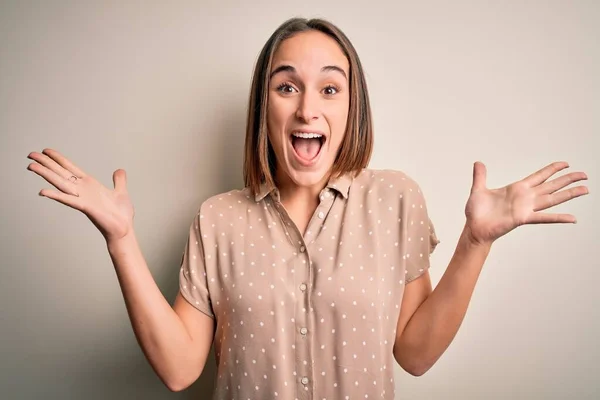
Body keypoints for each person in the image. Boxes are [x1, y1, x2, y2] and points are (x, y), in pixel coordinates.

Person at [26, 17, 588, 400]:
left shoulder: (395, 199)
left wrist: (476, 242)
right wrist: (121, 240)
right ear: (263, 106)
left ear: (351, 106)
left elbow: (414, 354)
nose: (306, 109)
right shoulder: (217, 219)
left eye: (329, 89)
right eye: (286, 87)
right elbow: (179, 369)